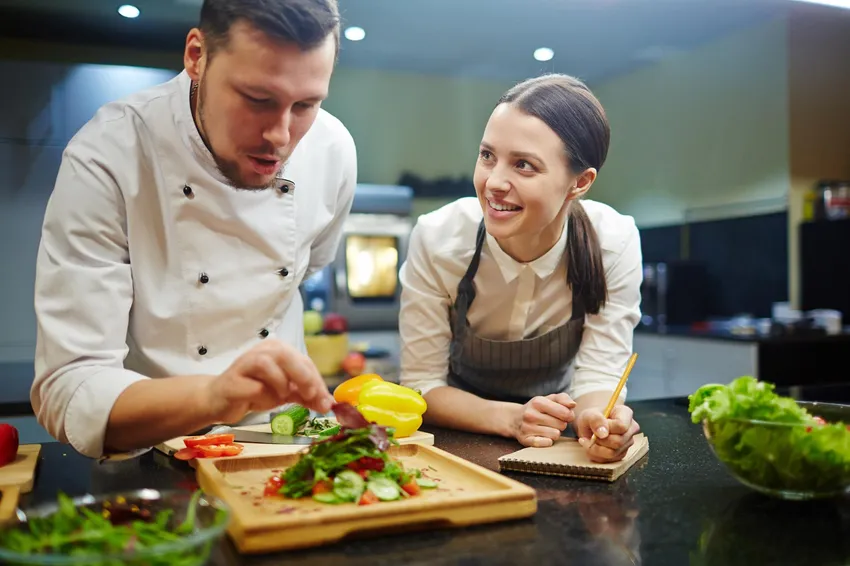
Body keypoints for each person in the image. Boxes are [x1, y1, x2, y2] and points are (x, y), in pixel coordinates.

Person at [31, 0, 352, 459]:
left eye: (306, 104)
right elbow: (69, 387)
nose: (280, 136)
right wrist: (214, 396)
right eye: (257, 99)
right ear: (197, 56)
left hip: (283, 443)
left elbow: (309, 266)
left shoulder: (333, 151)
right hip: (151, 449)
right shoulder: (109, 153)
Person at [398, 74, 642, 463]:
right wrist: (511, 419)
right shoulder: (438, 238)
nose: (493, 182)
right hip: (457, 444)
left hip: (555, 443)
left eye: (523, 165)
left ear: (580, 182)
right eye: (487, 155)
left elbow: (598, 376)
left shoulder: (613, 242)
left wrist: (599, 420)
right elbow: (421, 385)